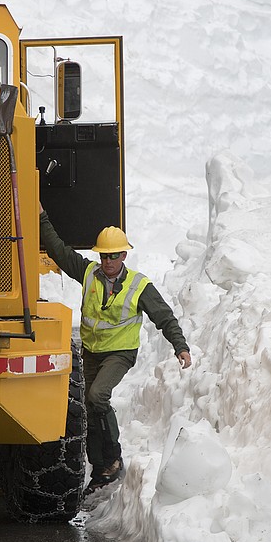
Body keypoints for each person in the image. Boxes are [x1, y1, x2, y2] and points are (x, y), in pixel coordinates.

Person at [39, 206, 192, 493]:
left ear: (124, 255)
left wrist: (180, 346)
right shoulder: (88, 273)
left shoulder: (138, 285)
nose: (108, 261)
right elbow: (58, 250)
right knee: (87, 403)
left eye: (114, 256)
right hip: (94, 351)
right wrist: (42, 218)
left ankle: (113, 459)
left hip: (121, 353)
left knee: (98, 395)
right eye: (104, 255)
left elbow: (164, 316)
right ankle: (100, 467)